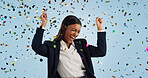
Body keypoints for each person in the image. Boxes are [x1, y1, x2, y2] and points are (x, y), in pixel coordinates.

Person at [31, 12, 106, 78]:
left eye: (78, 32)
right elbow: (36, 46)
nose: (75, 34)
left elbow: (101, 51)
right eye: (73, 30)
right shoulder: (53, 48)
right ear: (64, 27)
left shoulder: (81, 45)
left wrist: (100, 28)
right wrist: (43, 25)